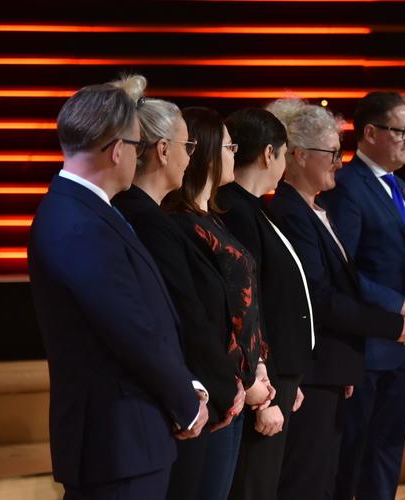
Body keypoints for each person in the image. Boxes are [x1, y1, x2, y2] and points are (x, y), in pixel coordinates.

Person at [28, 81, 208, 500]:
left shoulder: (82, 210)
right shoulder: (78, 221)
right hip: (117, 440)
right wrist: (185, 400)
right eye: (136, 145)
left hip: (125, 438)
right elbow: (131, 329)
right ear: (116, 150)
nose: (137, 155)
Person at [263, 98, 405, 500]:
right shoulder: (292, 210)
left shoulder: (318, 207)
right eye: (332, 153)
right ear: (299, 155)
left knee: (342, 474)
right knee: (317, 479)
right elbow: (322, 297)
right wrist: (396, 321)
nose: (339, 162)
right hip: (321, 366)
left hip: (341, 365)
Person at [109, 80, 256, 500]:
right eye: (187, 145)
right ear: (162, 151)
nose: (191, 157)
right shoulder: (149, 220)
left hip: (201, 393)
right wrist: (227, 386)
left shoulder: (153, 216)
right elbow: (184, 316)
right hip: (183, 399)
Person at [320, 91, 405, 500]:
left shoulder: (402, 188)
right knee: (352, 459)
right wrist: (400, 304)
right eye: (401, 131)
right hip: (365, 347)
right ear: (369, 133)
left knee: (386, 455)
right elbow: (343, 271)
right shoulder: (347, 187)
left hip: (404, 347)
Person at [162, 106, 275, 499]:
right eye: (229, 147)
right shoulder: (181, 223)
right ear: (206, 153)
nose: (234, 154)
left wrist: (259, 368)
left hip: (239, 384)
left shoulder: (214, 218)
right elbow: (206, 315)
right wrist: (243, 380)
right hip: (217, 387)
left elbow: (246, 303)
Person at [219, 108, 315, 500]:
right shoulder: (236, 210)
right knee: (253, 487)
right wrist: (266, 390)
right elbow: (249, 307)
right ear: (268, 154)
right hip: (262, 380)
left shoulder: (255, 207)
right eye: (285, 153)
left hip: (278, 375)